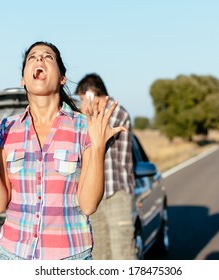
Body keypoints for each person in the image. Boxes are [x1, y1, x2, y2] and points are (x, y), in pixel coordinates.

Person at [0, 41, 126, 260]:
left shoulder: (84, 127)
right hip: (13, 255)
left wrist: (97, 147)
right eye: (32, 57)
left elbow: (88, 205)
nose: (39, 59)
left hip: (70, 257)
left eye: (48, 57)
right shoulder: (4, 130)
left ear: (62, 78)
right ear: (23, 79)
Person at [75, 73, 136, 259]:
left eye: (83, 99)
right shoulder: (90, 116)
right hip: (94, 197)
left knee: (122, 253)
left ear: (92, 94)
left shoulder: (118, 112)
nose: (81, 104)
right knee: (99, 254)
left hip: (116, 193)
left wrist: (87, 113)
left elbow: (102, 135)